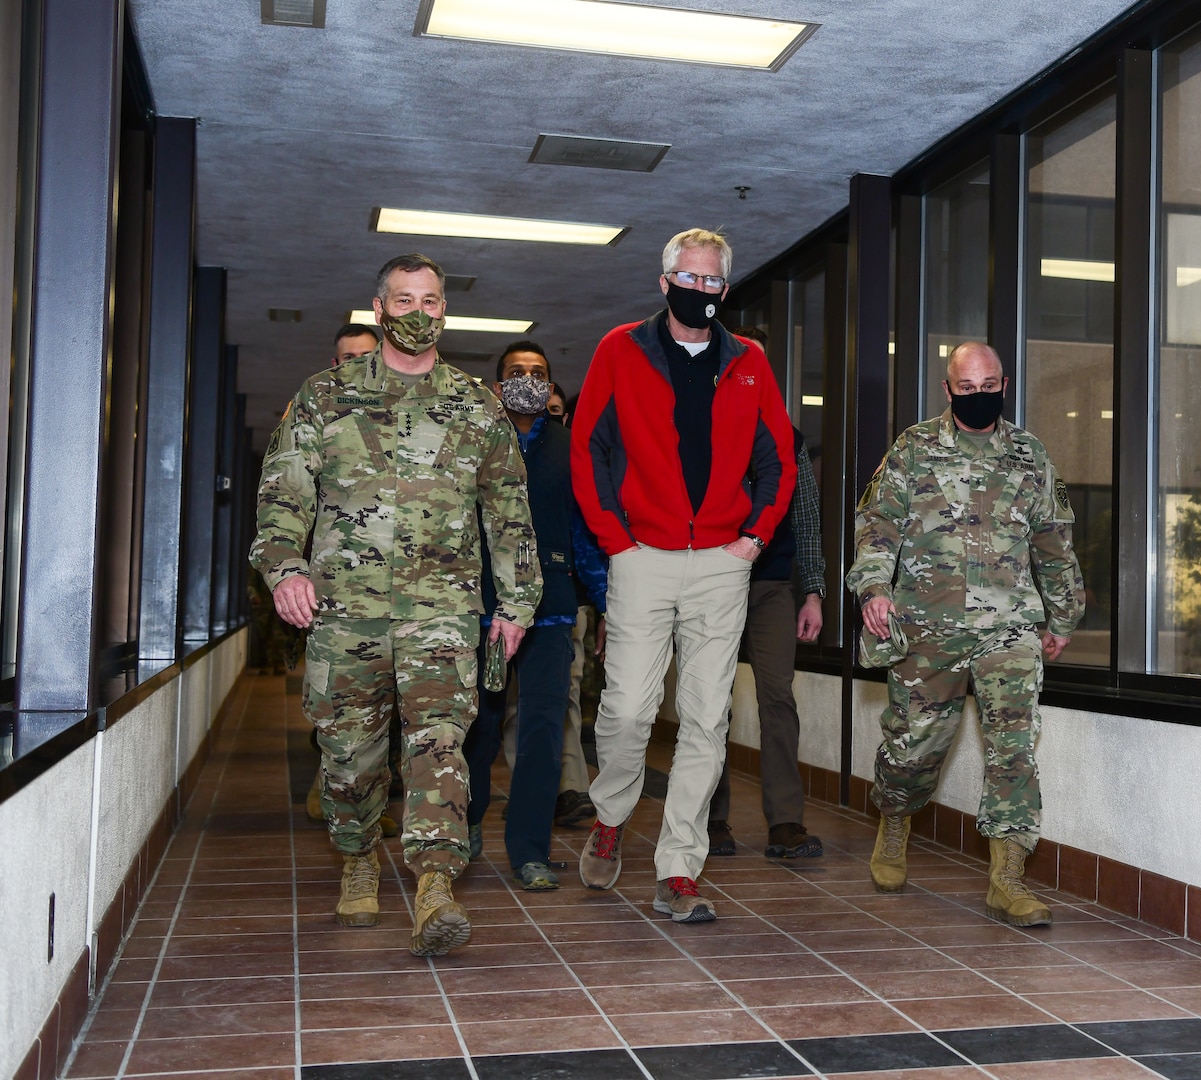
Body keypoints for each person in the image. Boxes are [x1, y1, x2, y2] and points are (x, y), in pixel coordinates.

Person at [252, 253, 541, 956]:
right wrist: (286, 569)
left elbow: (508, 511)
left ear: (446, 310)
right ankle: (356, 856)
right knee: (348, 756)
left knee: (440, 743)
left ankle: (435, 885)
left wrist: (517, 603)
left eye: (431, 301)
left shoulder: (478, 407)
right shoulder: (324, 396)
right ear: (380, 309)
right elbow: (282, 495)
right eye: (404, 301)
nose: (419, 313)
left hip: (441, 610)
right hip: (344, 613)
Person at [571, 228, 795, 923]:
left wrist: (752, 541)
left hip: (722, 566)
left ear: (725, 290)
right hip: (641, 559)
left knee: (706, 718)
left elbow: (779, 462)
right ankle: (611, 814)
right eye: (687, 279)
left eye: (712, 282)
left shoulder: (750, 362)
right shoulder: (621, 348)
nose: (700, 292)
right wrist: (618, 543)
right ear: (665, 282)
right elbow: (589, 449)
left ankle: (679, 866)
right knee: (630, 708)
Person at [845, 341, 1084, 927]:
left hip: (1010, 631)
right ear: (949, 389)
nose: (978, 397)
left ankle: (1007, 878)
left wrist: (1062, 619)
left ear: (1004, 385)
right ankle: (895, 817)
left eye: (989, 387)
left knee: (1014, 751)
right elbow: (877, 524)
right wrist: (874, 589)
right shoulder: (913, 448)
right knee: (914, 748)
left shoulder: (1030, 455)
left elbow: (1054, 541)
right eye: (966, 388)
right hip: (929, 628)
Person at [463, 341, 606, 890]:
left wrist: (604, 602)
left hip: (550, 614)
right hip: (484, 614)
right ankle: (468, 824)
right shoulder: (474, 444)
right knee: (480, 727)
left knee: (545, 731)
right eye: (516, 373)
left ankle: (530, 849)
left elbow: (586, 536)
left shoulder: (571, 450)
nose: (528, 380)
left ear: (550, 387)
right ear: (497, 387)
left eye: (538, 373)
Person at [706, 327, 826, 860]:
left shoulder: (788, 436)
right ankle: (710, 821)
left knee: (778, 697)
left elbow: (806, 518)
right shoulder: (701, 425)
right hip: (712, 582)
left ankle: (785, 822)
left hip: (772, 586)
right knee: (710, 703)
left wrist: (815, 592)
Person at [304, 323, 403, 834]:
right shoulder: (317, 408)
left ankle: (376, 805)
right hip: (337, 598)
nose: (355, 366)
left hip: (410, 605)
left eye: (365, 356)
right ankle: (343, 800)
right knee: (343, 723)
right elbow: (287, 494)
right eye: (346, 358)